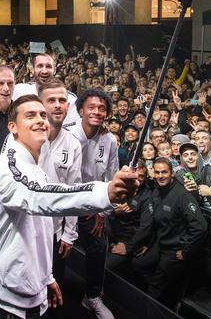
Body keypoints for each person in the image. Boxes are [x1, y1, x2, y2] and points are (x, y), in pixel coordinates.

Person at [0, 95, 138, 319]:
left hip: (35, 292)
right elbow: (40, 197)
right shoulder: (7, 166)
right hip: (9, 302)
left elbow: (39, 232)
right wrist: (105, 192)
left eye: (42, 115)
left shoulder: (35, 169)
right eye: (30, 115)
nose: (40, 120)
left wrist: (47, 277)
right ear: (12, 127)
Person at [120, 158, 207, 308]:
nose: (160, 176)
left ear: (172, 173)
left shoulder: (182, 195)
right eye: (157, 172)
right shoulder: (156, 191)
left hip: (175, 250)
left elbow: (200, 226)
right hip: (159, 244)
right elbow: (156, 223)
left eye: (164, 172)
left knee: (155, 286)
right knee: (138, 264)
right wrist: (148, 243)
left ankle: (154, 306)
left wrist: (186, 250)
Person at [67, 89, 119, 318]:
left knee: (99, 246)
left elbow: (112, 178)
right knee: (56, 250)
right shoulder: (66, 135)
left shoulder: (109, 140)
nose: (97, 112)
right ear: (80, 111)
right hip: (65, 203)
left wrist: (102, 211)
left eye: (102, 108)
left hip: (91, 206)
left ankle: (92, 296)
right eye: (91, 107)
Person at [37, 79, 83, 287]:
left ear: (68, 105)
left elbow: (74, 191)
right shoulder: (23, 137)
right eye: (51, 100)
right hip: (25, 229)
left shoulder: (73, 144)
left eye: (62, 100)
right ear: (40, 104)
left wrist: (69, 233)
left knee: (54, 292)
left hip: (55, 232)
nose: (57, 105)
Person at [13, 53, 80, 124]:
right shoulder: (19, 91)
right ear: (32, 69)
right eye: (40, 66)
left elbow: (71, 127)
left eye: (48, 66)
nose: (44, 71)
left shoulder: (70, 99)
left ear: (54, 70)